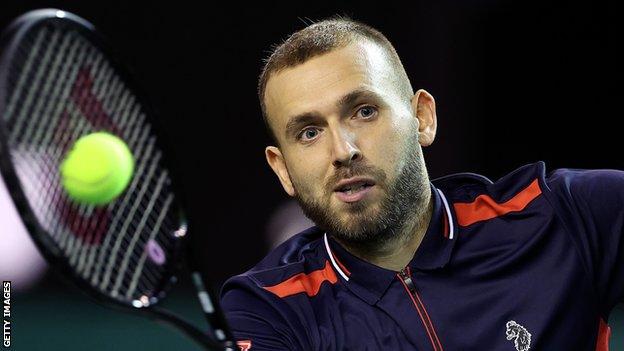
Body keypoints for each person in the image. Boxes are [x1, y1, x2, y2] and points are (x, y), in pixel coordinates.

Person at [220, 17, 623, 351]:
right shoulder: (268, 309)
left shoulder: (561, 215)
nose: (342, 150)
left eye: (364, 111)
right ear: (283, 170)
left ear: (422, 118)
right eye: (309, 132)